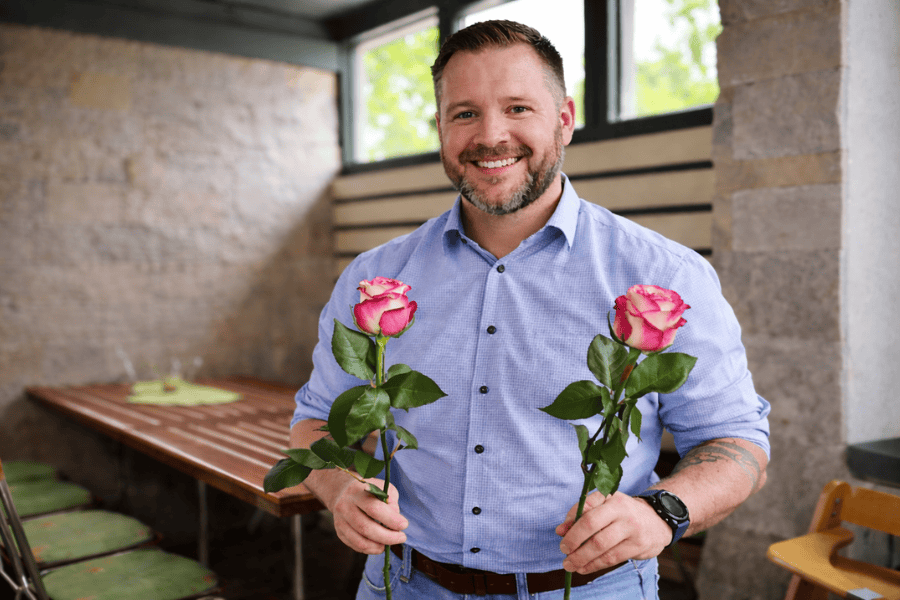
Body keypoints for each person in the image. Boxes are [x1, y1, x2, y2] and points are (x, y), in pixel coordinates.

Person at [291, 20, 770, 600]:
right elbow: (315, 419)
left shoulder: (664, 275)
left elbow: (737, 442)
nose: (491, 136)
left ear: (564, 119)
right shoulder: (373, 279)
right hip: (404, 584)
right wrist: (340, 487)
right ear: (439, 128)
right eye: (464, 113)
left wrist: (661, 512)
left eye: (518, 108)